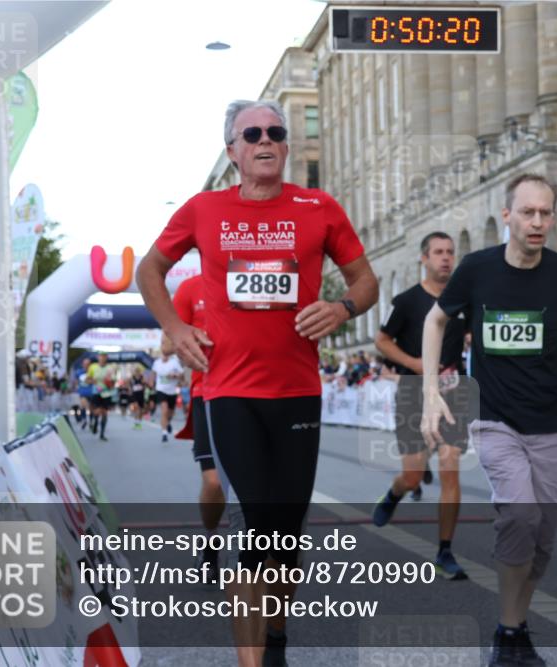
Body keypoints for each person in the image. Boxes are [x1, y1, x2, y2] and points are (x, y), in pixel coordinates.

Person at [136, 99, 377, 667]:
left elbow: (365, 281)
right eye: (252, 134)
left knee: (285, 538)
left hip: (297, 393)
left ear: (286, 146)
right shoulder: (204, 209)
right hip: (229, 394)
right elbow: (149, 270)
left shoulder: (319, 207)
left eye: (275, 132)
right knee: (252, 531)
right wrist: (175, 327)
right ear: (233, 152)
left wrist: (341, 308)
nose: (265, 140)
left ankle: (276, 640)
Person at [421, 173, 557, 667]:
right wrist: (430, 391)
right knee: (520, 514)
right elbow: (436, 320)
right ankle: (506, 630)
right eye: (527, 212)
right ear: (507, 216)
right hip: (495, 418)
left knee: (542, 538)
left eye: (545, 213)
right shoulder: (477, 269)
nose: (537, 221)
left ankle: (516, 627)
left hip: (551, 423)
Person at [372, 231, 469, 580]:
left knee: (450, 464)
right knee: (412, 476)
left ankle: (445, 550)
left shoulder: (463, 300)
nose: (446, 258)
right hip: (413, 391)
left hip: (453, 392)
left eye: (450, 252)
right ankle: (395, 493)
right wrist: (414, 363)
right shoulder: (406, 301)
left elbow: (474, 335)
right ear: (424, 259)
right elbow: (382, 340)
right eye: (438, 252)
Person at [173, 273, 228, 576]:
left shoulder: (257, 276)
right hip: (207, 391)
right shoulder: (190, 288)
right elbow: (170, 343)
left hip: (256, 391)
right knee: (214, 482)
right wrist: (189, 342)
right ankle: (211, 542)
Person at [151, 338, 184, 443]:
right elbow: (153, 374)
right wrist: (151, 383)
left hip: (172, 391)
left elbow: (182, 376)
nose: (164, 355)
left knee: (170, 413)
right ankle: (164, 433)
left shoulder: (174, 362)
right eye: (163, 353)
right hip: (161, 390)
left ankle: (168, 422)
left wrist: (175, 375)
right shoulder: (157, 363)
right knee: (164, 411)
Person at [86, 352, 113, 441]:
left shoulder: (110, 368)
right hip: (96, 392)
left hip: (106, 393)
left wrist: (109, 383)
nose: (102, 358)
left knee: (104, 413)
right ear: (98, 357)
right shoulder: (93, 367)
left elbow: (113, 382)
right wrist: (92, 381)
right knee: (97, 411)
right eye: (101, 356)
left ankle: (102, 434)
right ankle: (95, 422)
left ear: (106, 358)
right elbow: (87, 380)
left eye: (104, 356)